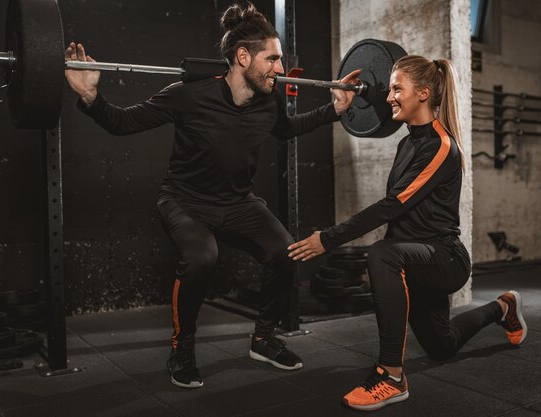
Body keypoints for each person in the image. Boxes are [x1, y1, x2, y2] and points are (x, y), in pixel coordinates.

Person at [64, 3, 359, 389]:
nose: (281, 69)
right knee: (202, 257)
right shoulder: (187, 94)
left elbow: (285, 129)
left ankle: (263, 339)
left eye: (280, 60)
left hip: (237, 202)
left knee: (285, 253)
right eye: (272, 59)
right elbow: (123, 123)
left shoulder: (268, 100)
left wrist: (335, 110)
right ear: (242, 57)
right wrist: (90, 98)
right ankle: (182, 348)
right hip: (185, 201)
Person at [287, 55, 528, 411]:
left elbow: (392, 206)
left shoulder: (441, 146)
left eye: (398, 88)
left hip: (444, 259)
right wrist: (344, 103)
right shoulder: (407, 143)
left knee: (382, 253)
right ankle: (503, 306)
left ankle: (391, 376)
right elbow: (398, 215)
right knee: (442, 346)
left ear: (424, 93)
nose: (389, 97)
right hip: (414, 261)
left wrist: (330, 238)